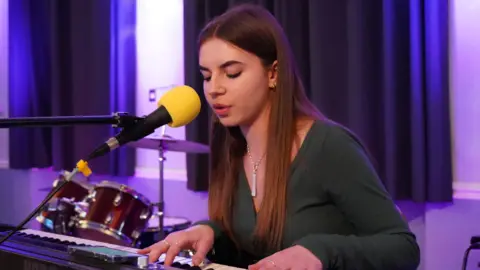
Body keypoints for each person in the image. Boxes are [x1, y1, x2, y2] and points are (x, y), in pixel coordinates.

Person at [139, 3, 420, 270]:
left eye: (232, 73)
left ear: (273, 73)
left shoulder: (329, 146)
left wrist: (320, 252)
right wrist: (208, 231)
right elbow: (252, 245)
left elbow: (402, 248)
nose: (214, 89)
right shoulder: (233, 146)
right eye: (207, 76)